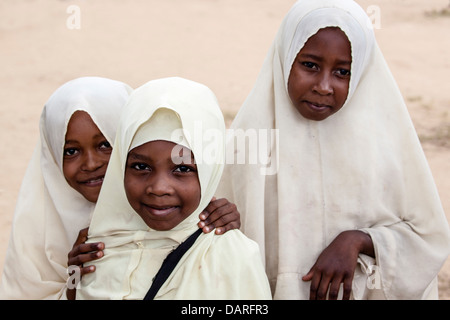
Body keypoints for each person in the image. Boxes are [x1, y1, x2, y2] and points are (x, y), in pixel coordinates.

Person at [216, 0, 450, 300]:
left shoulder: (387, 146)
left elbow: (428, 241)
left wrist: (359, 242)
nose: (324, 86)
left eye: (342, 72)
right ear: (285, 58)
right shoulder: (248, 144)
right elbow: (214, 243)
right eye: (310, 65)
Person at [0, 77, 240, 300]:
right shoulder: (34, 227)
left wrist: (222, 218)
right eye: (70, 151)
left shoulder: (170, 211)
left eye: (105, 144)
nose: (91, 164)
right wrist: (75, 281)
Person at [76, 77, 272, 300]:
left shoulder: (232, 257)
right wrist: (73, 283)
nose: (159, 188)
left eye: (182, 169)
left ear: (209, 171)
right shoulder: (98, 248)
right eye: (141, 167)